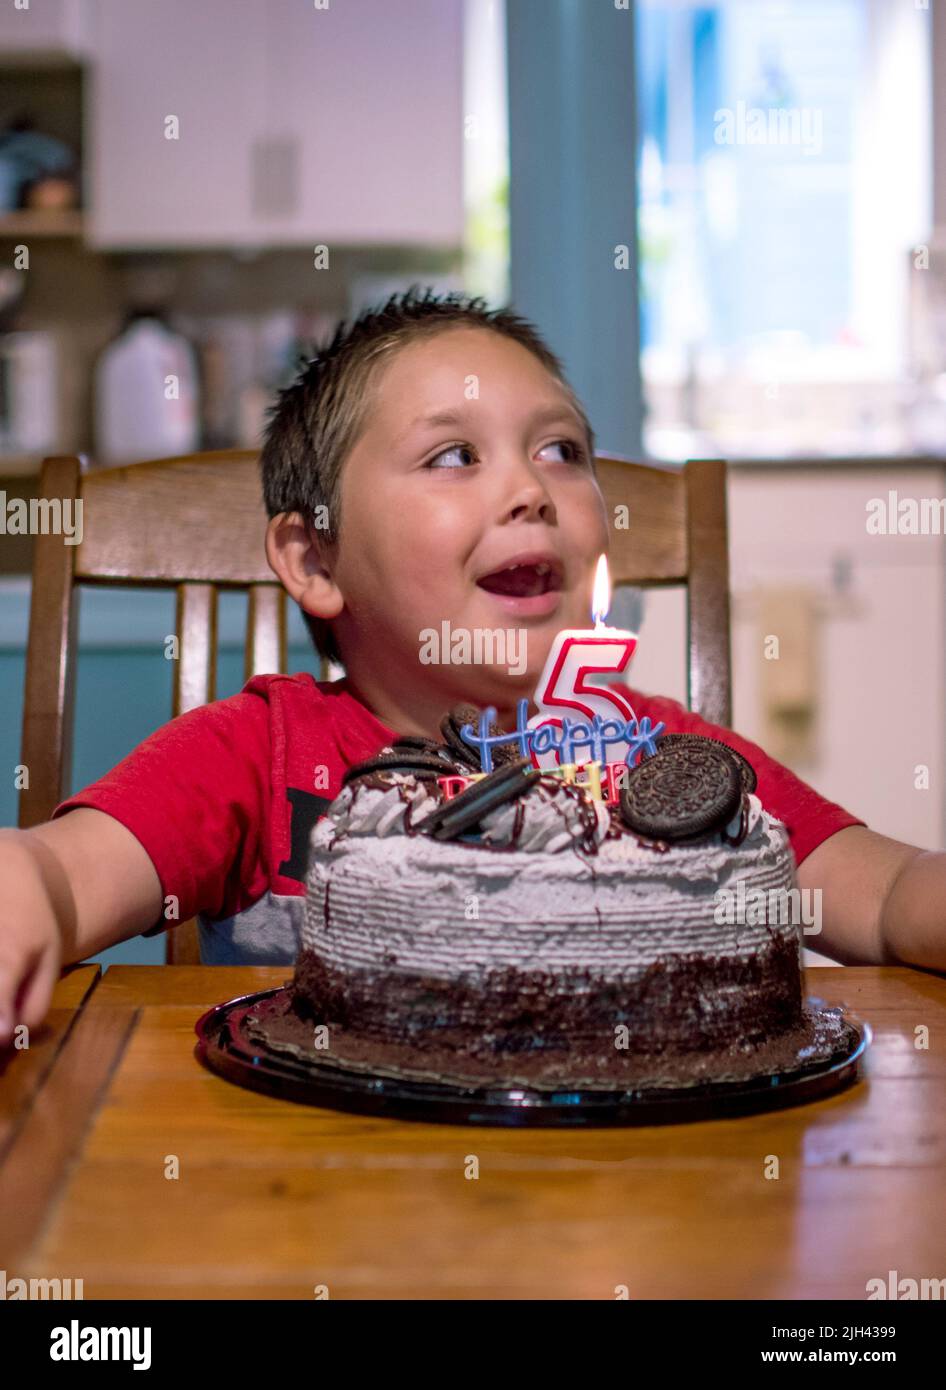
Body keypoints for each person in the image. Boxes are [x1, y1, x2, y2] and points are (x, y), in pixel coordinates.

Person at [1, 286, 943, 1045]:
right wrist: (22, 884)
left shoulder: (662, 757)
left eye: (562, 450)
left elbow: (890, 893)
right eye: (454, 454)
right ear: (317, 559)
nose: (531, 490)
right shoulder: (257, 755)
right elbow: (60, 873)